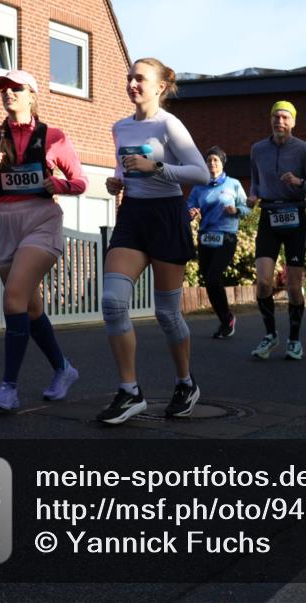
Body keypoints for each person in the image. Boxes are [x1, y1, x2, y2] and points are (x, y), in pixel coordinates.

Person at [0, 69, 87, 411]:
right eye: (4, 89)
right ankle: (63, 369)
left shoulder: (54, 137)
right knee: (31, 308)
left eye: (16, 88)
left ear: (32, 95)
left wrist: (57, 185)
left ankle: (8, 388)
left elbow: (80, 182)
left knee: (13, 298)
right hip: (3, 223)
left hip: (41, 222)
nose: (9, 94)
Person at [96, 58, 209, 425]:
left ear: (160, 86)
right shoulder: (120, 127)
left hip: (166, 216)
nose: (132, 84)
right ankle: (130, 392)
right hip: (133, 216)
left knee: (166, 313)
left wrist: (157, 168)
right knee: (113, 303)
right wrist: (117, 182)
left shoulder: (169, 125)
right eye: (129, 77)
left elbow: (201, 173)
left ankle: (185, 383)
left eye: (140, 78)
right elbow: (123, 167)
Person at [246, 101, 306, 360]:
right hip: (269, 215)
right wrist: (253, 195)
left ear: (293, 122)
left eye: (285, 117)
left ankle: (294, 339)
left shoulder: (303, 150)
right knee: (264, 282)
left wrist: (298, 182)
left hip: (294, 216)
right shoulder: (258, 149)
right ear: (270, 120)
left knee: (293, 285)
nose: (279, 121)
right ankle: (270, 335)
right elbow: (255, 182)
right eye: (275, 117)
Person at [188, 146, 250, 339]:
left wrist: (237, 211)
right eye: (209, 161)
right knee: (209, 281)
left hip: (226, 236)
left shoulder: (233, 184)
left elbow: (247, 208)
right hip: (205, 236)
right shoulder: (199, 186)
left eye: (216, 160)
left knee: (214, 277)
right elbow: (189, 205)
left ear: (223, 163)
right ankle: (226, 320)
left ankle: (227, 318)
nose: (212, 164)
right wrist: (190, 212)